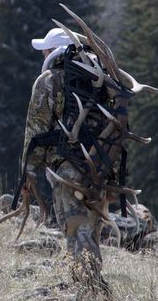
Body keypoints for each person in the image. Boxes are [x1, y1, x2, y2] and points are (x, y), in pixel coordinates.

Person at [21, 28, 110, 296]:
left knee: (77, 231)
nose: (44, 54)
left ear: (55, 51)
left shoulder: (48, 80)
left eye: (46, 49)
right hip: (102, 169)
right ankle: (85, 283)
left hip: (68, 171)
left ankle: (89, 289)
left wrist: (27, 173)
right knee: (88, 230)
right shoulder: (99, 81)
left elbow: (35, 132)